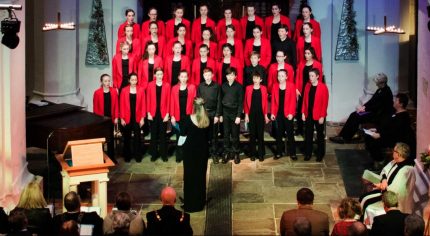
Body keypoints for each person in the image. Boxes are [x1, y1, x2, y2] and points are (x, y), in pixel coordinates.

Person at [330, 73, 394, 144]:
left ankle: (345, 138)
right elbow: (371, 101)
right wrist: (364, 106)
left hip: (377, 115)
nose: (376, 84)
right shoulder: (380, 90)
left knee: (356, 117)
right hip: (372, 112)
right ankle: (341, 135)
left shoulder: (386, 92)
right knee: (353, 114)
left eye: (377, 82)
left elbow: (377, 107)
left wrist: (364, 109)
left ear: (382, 82)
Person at [360, 143, 413, 227]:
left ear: (398, 154)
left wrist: (381, 186)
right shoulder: (395, 161)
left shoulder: (408, 170)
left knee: (366, 201)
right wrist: (384, 180)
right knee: (364, 195)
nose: (392, 152)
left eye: (394, 151)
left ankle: (365, 225)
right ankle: (361, 221)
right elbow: (385, 170)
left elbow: (396, 190)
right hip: (384, 188)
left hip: (392, 199)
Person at [364, 93, 416, 168]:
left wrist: (380, 135)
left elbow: (395, 132)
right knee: (368, 137)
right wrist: (376, 129)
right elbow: (387, 126)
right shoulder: (394, 112)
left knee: (372, 141)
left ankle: (380, 161)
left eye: (396, 100)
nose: (394, 101)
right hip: (388, 134)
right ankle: (376, 159)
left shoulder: (403, 117)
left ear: (401, 104)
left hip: (395, 139)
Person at [181, 97, 210, 212]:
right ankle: (200, 202)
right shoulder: (207, 119)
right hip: (202, 151)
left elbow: (183, 134)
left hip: (190, 151)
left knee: (189, 176)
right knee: (200, 176)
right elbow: (209, 137)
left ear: (194, 107)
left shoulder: (188, 119)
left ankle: (190, 203)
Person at [301, 68, 329, 161]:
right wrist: (303, 113)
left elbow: (325, 103)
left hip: (319, 115)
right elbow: (304, 100)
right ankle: (308, 154)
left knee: (320, 136)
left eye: (312, 76)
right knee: (308, 135)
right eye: (309, 76)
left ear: (317, 76)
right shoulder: (307, 86)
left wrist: (322, 116)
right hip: (308, 114)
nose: (310, 77)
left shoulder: (323, 87)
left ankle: (320, 154)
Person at [295, 47, 323, 135]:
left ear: (312, 54)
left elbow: (320, 78)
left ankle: (309, 130)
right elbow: (298, 77)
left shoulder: (318, 64)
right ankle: (299, 129)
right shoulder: (301, 63)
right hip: (302, 89)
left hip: (312, 89)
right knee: (300, 110)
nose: (306, 55)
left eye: (308, 53)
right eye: (305, 53)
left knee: (310, 109)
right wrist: (296, 89)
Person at [170, 70, 196, 162]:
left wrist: (193, 115)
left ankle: (187, 156)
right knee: (179, 136)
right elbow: (172, 102)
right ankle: (179, 156)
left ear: (188, 77)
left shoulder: (192, 87)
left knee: (188, 136)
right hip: (178, 116)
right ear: (179, 77)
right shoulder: (174, 88)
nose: (184, 79)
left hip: (188, 116)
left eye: (185, 77)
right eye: (182, 77)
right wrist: (172, 116)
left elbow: (194, 103)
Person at [119, 73, 146, 162]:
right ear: (129, 80)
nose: (134, 81)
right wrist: (122, 118)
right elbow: (121, 105)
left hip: (137, 118)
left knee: (138, 138)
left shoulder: (141, 90)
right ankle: (127, 157)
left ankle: (138, 157)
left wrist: (142, 118)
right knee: (127, 138)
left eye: (135, 79)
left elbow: (143, 105)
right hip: (127, 118)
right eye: (132, 79)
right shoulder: (124, 90)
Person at [271, 69, 297, 160]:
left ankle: (293, 153)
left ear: (286, 77)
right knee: (278, 134)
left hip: (288, 114)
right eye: (279, 76)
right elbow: (274, 101)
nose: (280, 78)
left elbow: (293, 101)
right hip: (278, 114)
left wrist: (291, 113)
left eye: (282, 76)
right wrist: (273, 113)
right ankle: (279, 152)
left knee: (290, 134)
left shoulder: (291, 86)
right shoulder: (274, 86)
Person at [197, 68, 222, 163]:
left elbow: (219, 101)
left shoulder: (217, 86)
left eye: (209, 75)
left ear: (212, 75)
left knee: (214, 136)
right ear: (203, 76)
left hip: (213, 113)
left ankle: (214, 154)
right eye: (205, 75)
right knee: (204, 135)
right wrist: (200, 114)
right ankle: (205, 153)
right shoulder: (200, 86)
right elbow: (198, 101)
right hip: (204, 113)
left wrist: (217, 115)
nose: (207, 77)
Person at [92, 74, 119, 162]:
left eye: (108, 81)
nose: (107, 83)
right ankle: (101, 158)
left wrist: (116, 117)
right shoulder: (97, 92)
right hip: (101, 120)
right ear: (101, 82)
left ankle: (111, 158)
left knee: (110, 139)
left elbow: (116, 106)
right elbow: (95, 108)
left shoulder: (114, 91)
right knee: (101, 139)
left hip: (111, 118)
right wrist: (98, 120)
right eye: (105, 81)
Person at [244, 72, 269, 162]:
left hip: (260, 114)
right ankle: (253, 154)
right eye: (254, 78)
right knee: (252, 135)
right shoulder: (248, 88)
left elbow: (265, 103)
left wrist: (266, 116)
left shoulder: (264, 88)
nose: (255, 80)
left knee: (260, 135)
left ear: (261, 80)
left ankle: (261, 154)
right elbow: (245, 103)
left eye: (257, 78)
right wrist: (246, 115)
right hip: (251, 114)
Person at [220, 67, 243, 164]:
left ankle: (236, 153)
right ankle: (227, 153)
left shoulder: (239, 86)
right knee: (226, 134)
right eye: (228, 75)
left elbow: (240, 102)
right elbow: (220, 101)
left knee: (235, 135)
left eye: (232, 75)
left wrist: (238, 116)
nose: (230, 77)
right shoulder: (223, 86)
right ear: (226, 76)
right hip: (225, 112)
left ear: (235, 76)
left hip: (235, 113)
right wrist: (220, 114)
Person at [147, 68, 171, 162]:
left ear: (163, 75)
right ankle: (154, 155)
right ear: (154, 75)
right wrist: (148, 113)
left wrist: (167, 114)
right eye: (158, 74)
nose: (160, 76)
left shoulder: (167, 85)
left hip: (163, 114)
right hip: (153, 113)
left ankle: (163, 155)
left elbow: (168, 100)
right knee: (153, 135)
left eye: (161, 74)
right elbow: (148, 99)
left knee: (163, 135)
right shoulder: (150, 85)